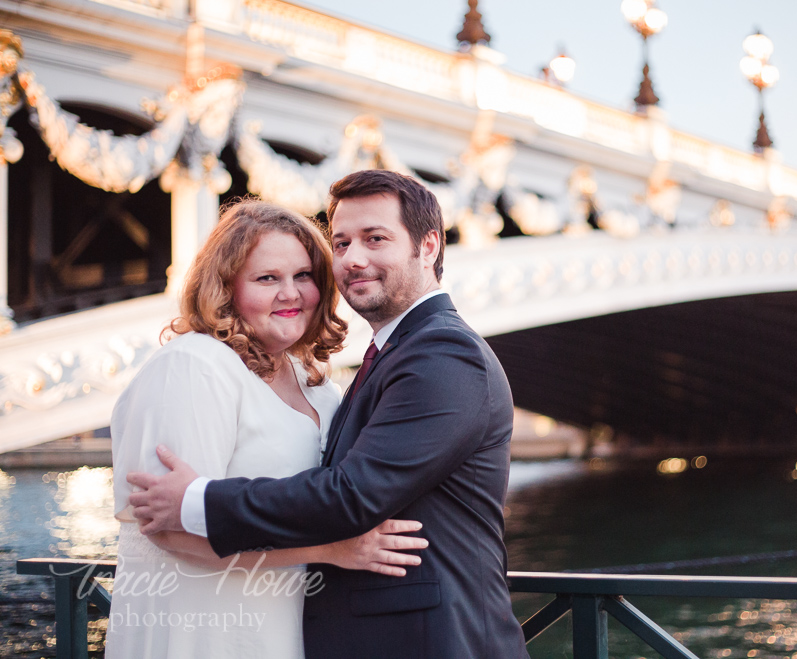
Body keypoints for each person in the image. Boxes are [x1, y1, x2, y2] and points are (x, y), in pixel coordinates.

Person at [128, 170, 530, 658]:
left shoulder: (442, 353)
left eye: (375, 238)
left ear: (429, 246)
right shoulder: (382, 356)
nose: (353, 259)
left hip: (438, 641)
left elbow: (352, 494)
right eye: (340, 244)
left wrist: (198, 500)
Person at [107, 199, 427, 659]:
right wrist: (334, 549)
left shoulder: (314, 383)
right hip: (201, 636)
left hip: (283, 632)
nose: (291, 294)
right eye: (267, 279)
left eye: (304, 276)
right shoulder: (194, 367)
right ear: (225, 288)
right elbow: (171, 531)